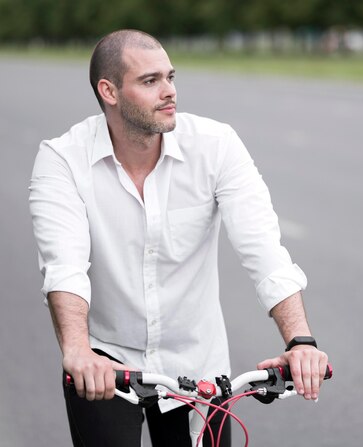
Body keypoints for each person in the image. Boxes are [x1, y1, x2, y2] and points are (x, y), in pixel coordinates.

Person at [29, 29, 328, 447]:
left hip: (197, 364)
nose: (169, 92)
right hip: (105, 363)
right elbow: (65, 266)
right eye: (150, 81)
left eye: (170, 77)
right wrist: (79, 351)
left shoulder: (216, 146)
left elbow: (264, 251)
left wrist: (300, 341)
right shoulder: (63, 159)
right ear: (109, 91)